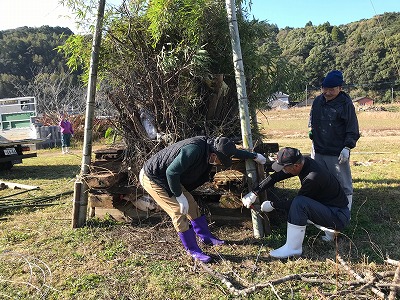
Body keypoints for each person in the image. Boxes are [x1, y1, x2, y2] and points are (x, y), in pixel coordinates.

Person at [139, 136, 267, 263]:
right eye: (220, 160)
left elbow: (233, 152)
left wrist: (254, 156)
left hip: (170, 177)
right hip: (154, 177)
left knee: (191, 205)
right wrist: (179, 196)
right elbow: (171, 173)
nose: (220, 163)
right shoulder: (193, 150)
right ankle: (193, 250)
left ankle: (206, 237)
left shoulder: (216, 147)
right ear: (213, 155)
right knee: (178, 210)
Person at [242, 147, 350, 259]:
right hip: (331, 208)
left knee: (300, 204)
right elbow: (276, 176)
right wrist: (254, 192)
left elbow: (295, 205)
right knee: (301, 203)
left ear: (296, 166)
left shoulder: (312, 177)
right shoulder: (304, 163)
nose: (284, 171)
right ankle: (330, 232)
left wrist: (273, 205)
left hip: (338, 216)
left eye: (285, 168)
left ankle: (293, 248)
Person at [309, 70, 360, 241]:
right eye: (325, 88)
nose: (327, 92)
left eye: (332, 89)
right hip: (319, 151)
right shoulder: (317, 101)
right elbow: (312, 120)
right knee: (321, 185)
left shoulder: (345, 104)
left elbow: (352, 129)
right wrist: (311, 133)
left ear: (340, 88)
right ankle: (326, 224)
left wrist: (347, 147)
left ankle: (344, 218)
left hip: (338, 153)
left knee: (344, 185)